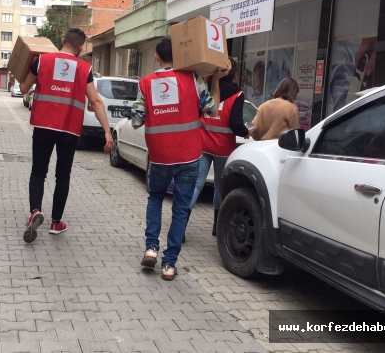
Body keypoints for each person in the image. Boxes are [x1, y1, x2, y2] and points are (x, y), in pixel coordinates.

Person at [132, 36, 224, 281]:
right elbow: (212, 110)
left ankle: (151, 248)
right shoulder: (193, 80)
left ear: (157, 56)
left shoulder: (146, 83)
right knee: (181, 209)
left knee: (155, 198)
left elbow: (136, 119)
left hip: (160, 156)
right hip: (189, 156)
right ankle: (169, 264)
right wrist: (213, 80)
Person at [19, 28, 113, 243]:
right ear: (80, 48)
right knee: (62, 176)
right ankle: (56, 222)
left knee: (38, 172)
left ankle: (35, 212)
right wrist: (107, 131)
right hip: (69, 130)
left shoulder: (41, 61)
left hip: (43, 126)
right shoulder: (84, 68)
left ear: (62, 41)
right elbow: (96, 101)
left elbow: (24, 88)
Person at [189, 58, 250, 237]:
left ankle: (181, 223)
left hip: (203, 144)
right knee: (218, 186)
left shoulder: (206, 89)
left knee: (196, 184)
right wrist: (245, 131)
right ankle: (217, 226)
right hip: (224, 148)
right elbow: (235, 122)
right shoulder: (237, 94)